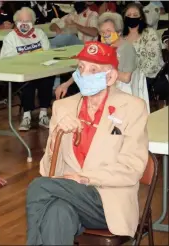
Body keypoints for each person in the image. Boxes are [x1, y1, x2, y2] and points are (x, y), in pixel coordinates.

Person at [26, 41, 148, 245]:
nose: (84, 74)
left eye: (94, 70)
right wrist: (57, 135)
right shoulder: (63, 107)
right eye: (81, 68)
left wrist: (85, 178)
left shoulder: (132, 107)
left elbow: (132, 168)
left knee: (39, 187)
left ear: (110, 77)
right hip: (68, 196)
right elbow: (48, 170)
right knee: (57, 212)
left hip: (108, 201)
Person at [55, 12, 137, 99]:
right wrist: (66, 84)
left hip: (121, 91)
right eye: (102, 32)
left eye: (108, 31)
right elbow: (84, 68)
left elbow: (126, 78)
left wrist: (104, 70)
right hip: (102, 89)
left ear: (119, 32)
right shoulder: (102, 47)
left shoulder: (127, 48)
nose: (105, 35)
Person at [0, 7, 55, 131]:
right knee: (27, 83)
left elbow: (47, 54)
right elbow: (6, 60)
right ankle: (26, 116)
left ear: (33, 22)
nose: (24, 23)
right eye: (21, 20)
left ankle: (43, 114)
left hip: (40, 71)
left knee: (48, 78)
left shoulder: (40, 34)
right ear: (16, 22)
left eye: (28, 21)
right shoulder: (11, 37)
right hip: (20, 74)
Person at [123, 3, 164, 82]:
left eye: (135, 15)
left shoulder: (150, 33)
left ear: (141, 18)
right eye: (128, 15)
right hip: (128, 80)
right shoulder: (121, 38)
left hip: (151, 79)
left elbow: (153, 64)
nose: (131, 17)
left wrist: (132, 77)